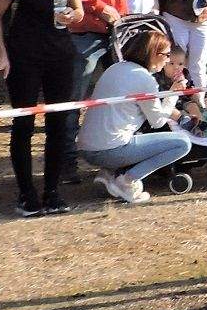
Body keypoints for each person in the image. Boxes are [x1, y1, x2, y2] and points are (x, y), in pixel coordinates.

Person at [0, 0, 84, 217]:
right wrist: (1, 55)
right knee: (24, 125)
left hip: (61, 56)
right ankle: (26, 193)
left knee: (58, 124)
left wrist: (73, 15)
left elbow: (79, 10)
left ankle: (52, 191)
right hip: (25, 58)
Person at [57, 0, 133, 176]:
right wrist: (99, 7)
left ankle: (118, 158)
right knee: (74, 98)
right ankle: (66, 162)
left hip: (117, 33)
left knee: (121, 97)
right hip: (83, 32)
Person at [80, 27, 193, 204]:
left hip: (86, 148)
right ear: (153, 54)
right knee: (182, 143)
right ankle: (127, 181)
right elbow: (157, 122)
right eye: (166, 55)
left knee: (132, 130)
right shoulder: (144, 79)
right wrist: (174, 93)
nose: (168, 60)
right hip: (109, 150)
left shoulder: (115, 68)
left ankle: (110, 173)